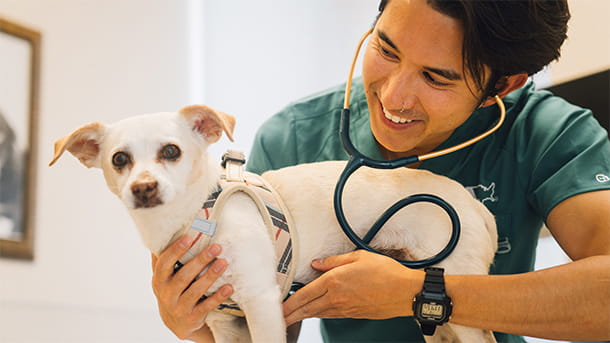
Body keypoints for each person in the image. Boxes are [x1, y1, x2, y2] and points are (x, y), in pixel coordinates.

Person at [150, 0, 610, 342]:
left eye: (436, 78)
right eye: (386, 50)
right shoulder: (293, 137)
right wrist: (196, 321)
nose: (393, 97)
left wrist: (422, 292)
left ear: (501, 86)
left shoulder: (548, 133)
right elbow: (269, 324)